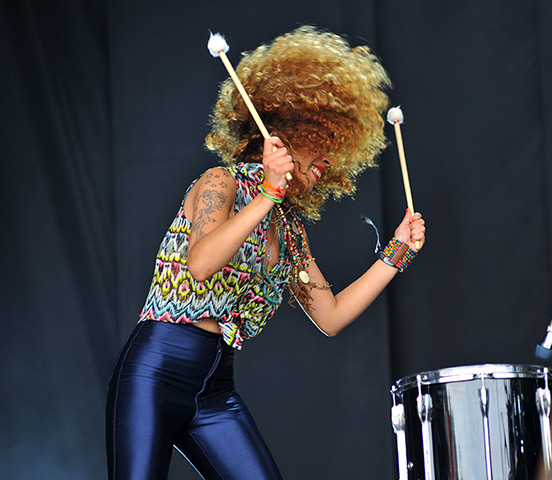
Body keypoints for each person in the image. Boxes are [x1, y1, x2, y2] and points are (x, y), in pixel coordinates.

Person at [105, 25, 426, 480]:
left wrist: (398, 252)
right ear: (286, 133)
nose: (330, 161)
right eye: (323, 143)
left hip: (215, 387)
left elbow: (330, 316)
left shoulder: (291, 230)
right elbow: (200, 264)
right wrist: (266, 196)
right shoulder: (223, 183)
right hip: (157, 369)